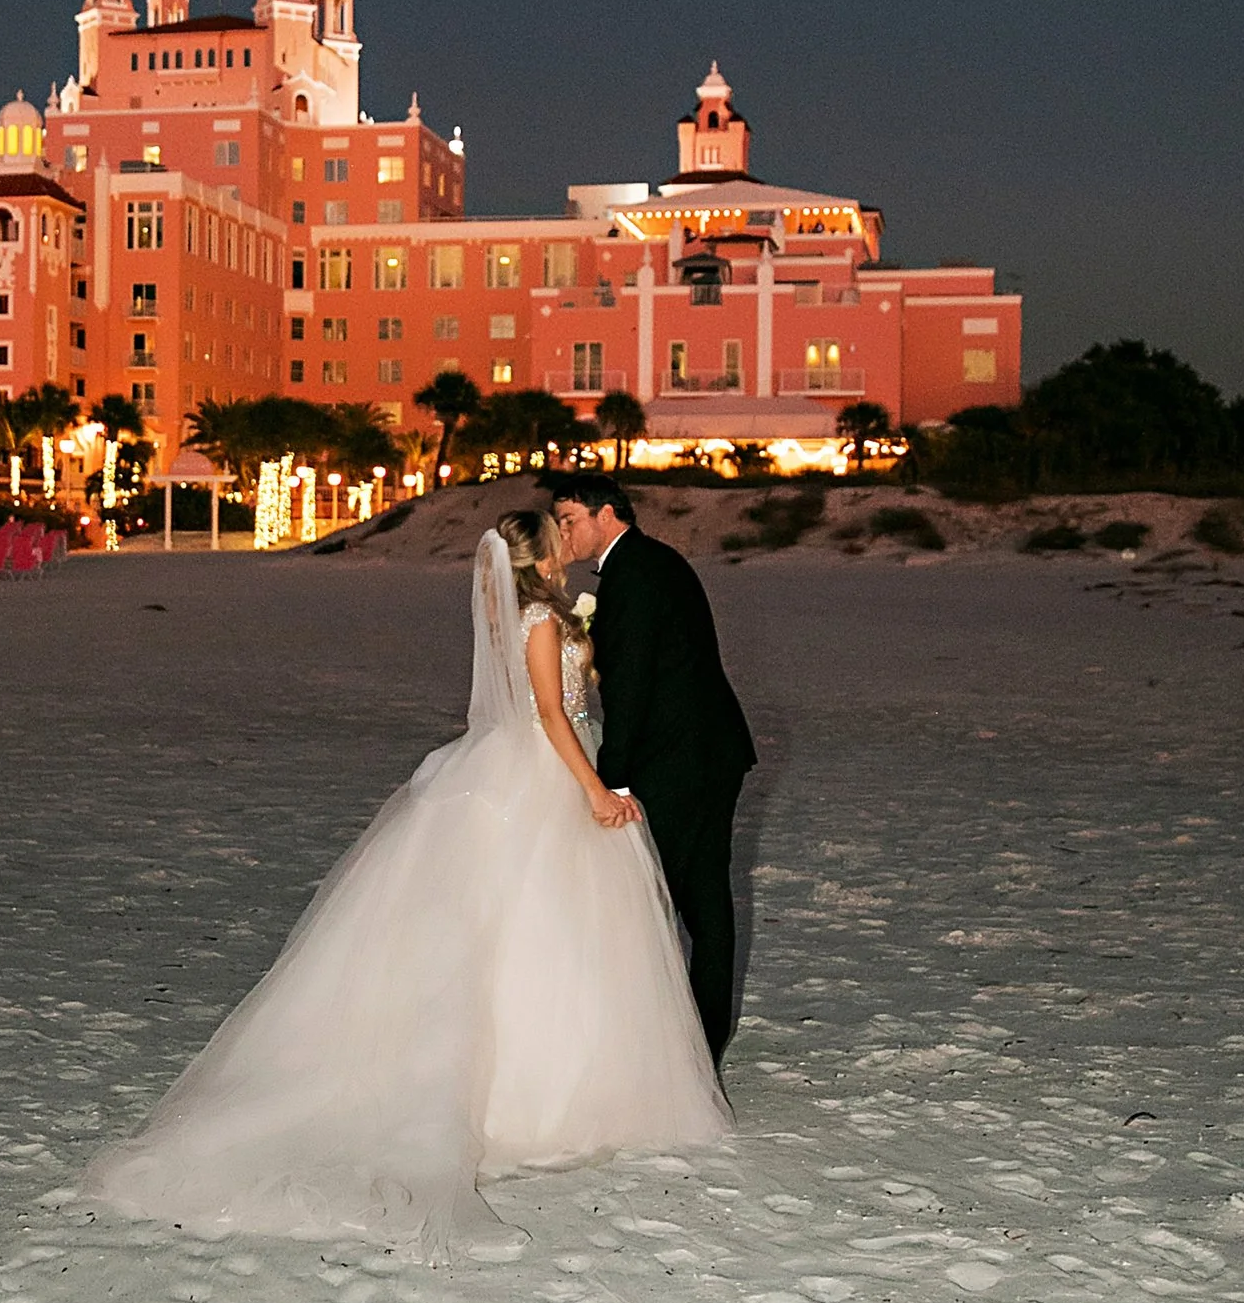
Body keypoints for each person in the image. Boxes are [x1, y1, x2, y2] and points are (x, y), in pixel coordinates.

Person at [82, 503, 731, 1254]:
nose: (565, 547)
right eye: (556, 542)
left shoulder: (515, 617)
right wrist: (594, 789)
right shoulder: (544, 623)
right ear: (538, 560)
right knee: (554, 931)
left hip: (509, 769)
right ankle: (550, 1101)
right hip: (547, 776)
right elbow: (553, 716)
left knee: (525, 931)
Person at [543, 474, 755, 1060]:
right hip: (706, 750)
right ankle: (700, 1040)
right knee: (703, 897)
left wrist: (611, 779)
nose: (564, 533)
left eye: (569, 520)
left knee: (677, 899)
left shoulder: (633, 573)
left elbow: (631, 687)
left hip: (680, 759)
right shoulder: (648, 563)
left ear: (605, 514)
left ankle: (691, 1044)